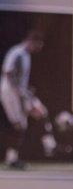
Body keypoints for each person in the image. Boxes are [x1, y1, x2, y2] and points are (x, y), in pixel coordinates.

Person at [0, 29, 47, 169]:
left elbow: (20, 78)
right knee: (19, 125)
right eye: (37, 45)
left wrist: (25, 90)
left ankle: (49, 145)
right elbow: (8, 72)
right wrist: (20, 91)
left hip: (20, 93)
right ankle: (11, 159)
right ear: (31, 41)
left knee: (41, 112)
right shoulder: (17, 52)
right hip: (10, 93)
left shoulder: (26, 55)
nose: (37, 49)